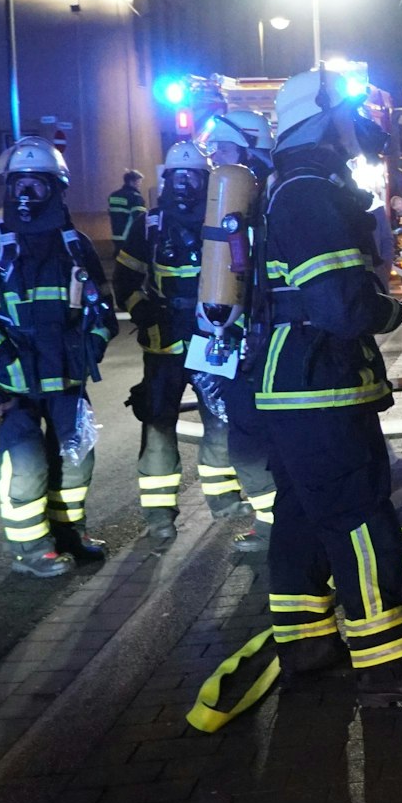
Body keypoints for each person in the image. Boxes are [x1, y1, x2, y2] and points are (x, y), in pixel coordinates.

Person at [246, 68, 402, 708]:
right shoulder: (310, 193)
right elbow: (339, 305)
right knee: (360, 518)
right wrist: (387, 310)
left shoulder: (285, 187)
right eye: (347, 118)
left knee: (300, 515)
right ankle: (387, 667)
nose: (357, 131)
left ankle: (308, 647)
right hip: (321, 385)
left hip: (288, 387)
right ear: (322, 122)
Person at [0, 137, 116, 577]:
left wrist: (92, 343)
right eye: (17, 185)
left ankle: (69, 535)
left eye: (35, 187)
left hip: (67, 379)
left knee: (78, 461)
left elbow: (102, 309)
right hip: (15, 385)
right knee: (27, 465)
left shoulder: (75, 245)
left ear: (56, 190)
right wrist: (0, 357)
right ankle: (30, 549)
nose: (25, 196)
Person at [111, 141, 271, 551]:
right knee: (158, 424)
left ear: (206, 180)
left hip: (211, 336)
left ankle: (224, 500)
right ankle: (159, 517)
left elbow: (241, 272)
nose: (183, 183)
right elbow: (125, 279)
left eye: (192, 176)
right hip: (163, 341)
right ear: (166, 181)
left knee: (220, 419)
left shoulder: (223, 219)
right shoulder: (149, 225)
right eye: (176, 176)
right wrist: (143, 309)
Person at [198, 111, 278, 549]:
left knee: (250, 440)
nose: (217, 162)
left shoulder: (268, 199)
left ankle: (274, 524)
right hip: (235, 335)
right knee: (244, 434)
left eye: (225, 152)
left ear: (249, 149)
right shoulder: (234, 199)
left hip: (266, 338)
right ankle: (275, 519)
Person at [107, 169, 145, 250]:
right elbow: (140, 218)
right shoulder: (136, 197)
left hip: (116, 236)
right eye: (138, 182)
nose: (140, 184)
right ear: (131, 182)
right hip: (129, 236)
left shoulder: (113, 195)